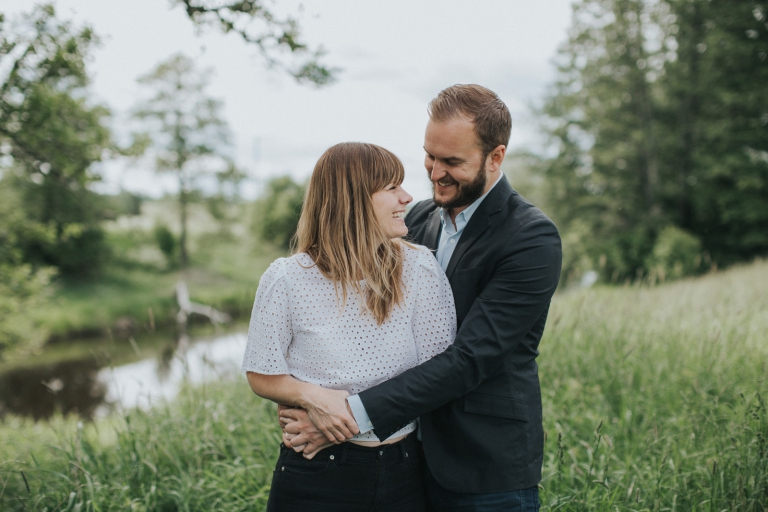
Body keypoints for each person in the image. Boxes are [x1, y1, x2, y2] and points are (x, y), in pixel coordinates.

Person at [280, 84, 563, 511]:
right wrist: (314, 396)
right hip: (407, 460)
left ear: (495, 157)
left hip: (483, 465)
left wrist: (347, 417)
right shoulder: (418, 219)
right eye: (430, 156)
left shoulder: (531, 238)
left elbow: (470, 358)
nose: (434, 173)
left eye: (452, 162)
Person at [241, 142, 457, 512]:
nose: (407, 198)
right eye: (392, 188)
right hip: (313, 478)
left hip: (403, 470)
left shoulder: (420, 269)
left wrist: (343, 420)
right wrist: (315, 399)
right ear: (353, 199)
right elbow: (262, 372)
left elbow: (438, 376)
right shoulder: (287, 278)